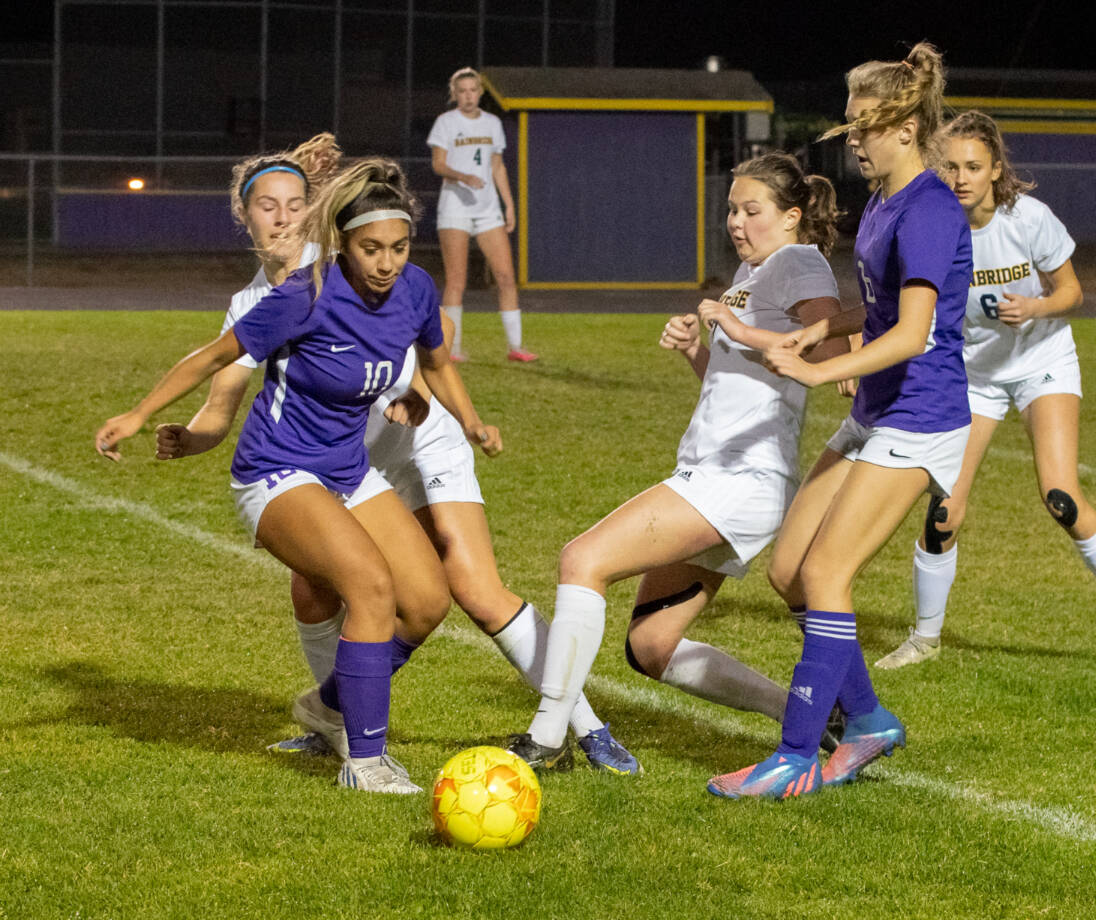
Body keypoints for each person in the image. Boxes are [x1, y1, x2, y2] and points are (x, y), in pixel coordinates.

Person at [159, 144, 640, 775]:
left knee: (469, 588)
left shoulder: (363, 252)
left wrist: (425, 398)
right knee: (316, 588)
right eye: (265, 207)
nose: (281, 219)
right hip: (342, 462)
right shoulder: (258, 304)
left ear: (318, 215)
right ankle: (339, 718)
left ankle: (584, 726)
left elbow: (421, 340)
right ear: (242, 218)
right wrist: (193, 438)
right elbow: (223, 400)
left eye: (295, 205)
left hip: (425, 435)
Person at [95, 158, 499, 795]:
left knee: (425, 603)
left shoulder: (416, 289)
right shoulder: (304, 295)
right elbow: (214, 356)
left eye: (398, 248)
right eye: (371, 249)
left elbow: (438, 361)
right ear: (343, 243)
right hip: (275, 472)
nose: (386, 263)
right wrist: (139, 413)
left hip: (347, 470)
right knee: (369, 587)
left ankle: (327, 703)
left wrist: (472, 421)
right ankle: (365, 764)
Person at [506, 152, 847, 772]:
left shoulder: (798, 261)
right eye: (732, 210)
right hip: (721, 475)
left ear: (792, 216)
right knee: (651, 646)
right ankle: (805, 711)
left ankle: (548, 738)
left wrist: (735, 328)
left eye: (753, 210)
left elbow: (831, 342)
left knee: (582, 560)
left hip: (739, 480)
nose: (737, 223)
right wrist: (699, 351)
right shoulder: (754, 269)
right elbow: (739, 383)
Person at [707, 41, 972, 799]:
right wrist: (821, 329)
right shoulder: (887, 202)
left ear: (905, 127)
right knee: (791, 572)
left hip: (920, 418)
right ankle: (869, 721)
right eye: (849, 126)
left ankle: (793, 756)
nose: (852, 139)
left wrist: (821, 368)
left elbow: (914, 333)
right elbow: (884, 312)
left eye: (863, 126)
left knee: (827, 572)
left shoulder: (926, 209)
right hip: (880, 408)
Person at [874, 110, 1096, 671]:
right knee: (943, 511)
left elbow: (1073, 291)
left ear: (995, 169)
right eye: (951, 166)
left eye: (974, 167)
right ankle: (925, 639)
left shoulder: (1027, 218)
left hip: (1041, 363)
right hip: (974, 377)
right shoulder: (934, 223)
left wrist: (1035, 307)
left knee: (1061, 496)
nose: (961, 178)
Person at [428, 66, 536, 363]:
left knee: (505, 276)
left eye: (472, 90)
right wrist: (462, 175)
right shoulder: (446, 123)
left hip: (488, 210)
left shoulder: (491, 123)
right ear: (455, 94)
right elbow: (438, 164)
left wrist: (508, 205)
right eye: (462, 91)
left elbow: (497, 166)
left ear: (480, 93)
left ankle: (516, 346)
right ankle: (453, 349)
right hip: (455, 208)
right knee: (456, 281)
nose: (468, 96)